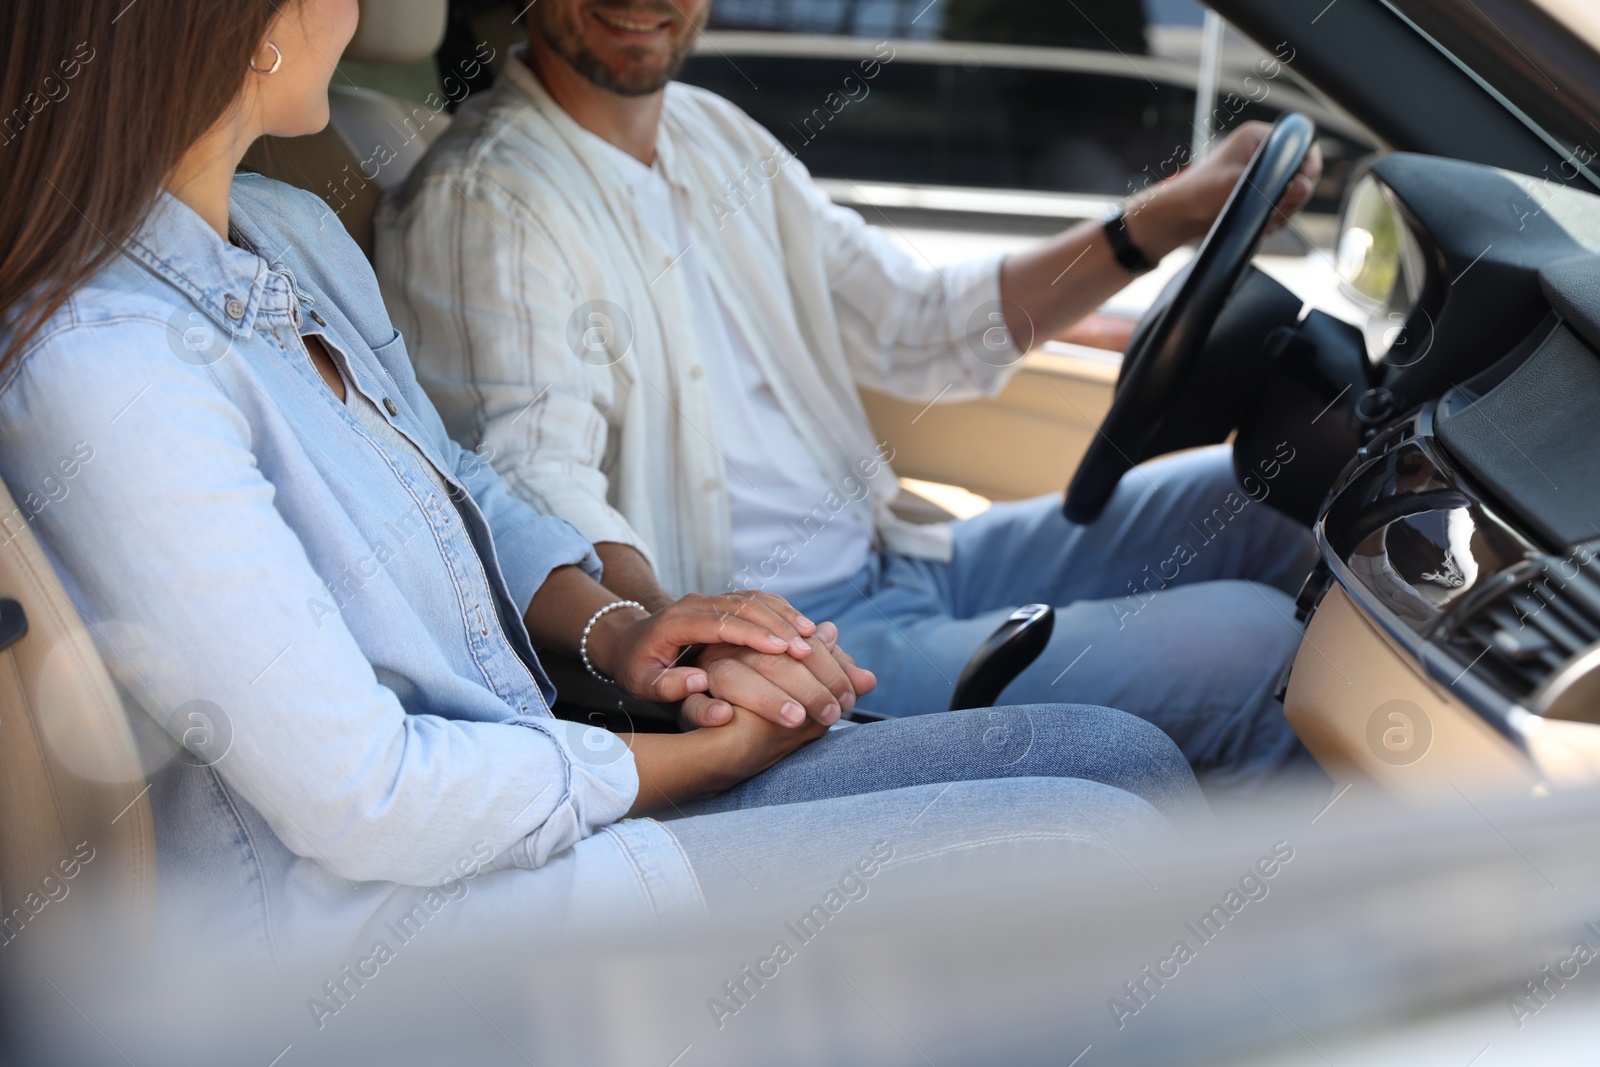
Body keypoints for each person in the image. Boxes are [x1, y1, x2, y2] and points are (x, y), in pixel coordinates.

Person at [0, 0, 1208, 964]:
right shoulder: (113, 368)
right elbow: (368, 797)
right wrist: (687, 757)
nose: (362, 10)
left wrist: (628, 635)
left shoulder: (282, 230)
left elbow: (463, 474)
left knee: (1127, 758)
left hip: (526, 798)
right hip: (407, 935)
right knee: (1098, 842)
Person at [376, 0, 1328, 798]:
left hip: (901, 551)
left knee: (1269, 501)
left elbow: (918, 322)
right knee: (1257, 652)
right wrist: (686, 633)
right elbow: (534, 490)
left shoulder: (710, 136)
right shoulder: (486, 204)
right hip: (800, 646)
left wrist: (1173, 211)